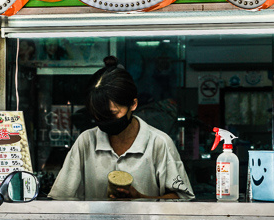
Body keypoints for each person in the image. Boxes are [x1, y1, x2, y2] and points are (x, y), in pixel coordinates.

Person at [50, 57, 194, 201]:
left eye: (112, 114)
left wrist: (141, 198)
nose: (105, 121)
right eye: (99, 115)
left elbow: (182, 199)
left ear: (133, 104)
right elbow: (61, 197)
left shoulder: (158, 143)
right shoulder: (86, 142)